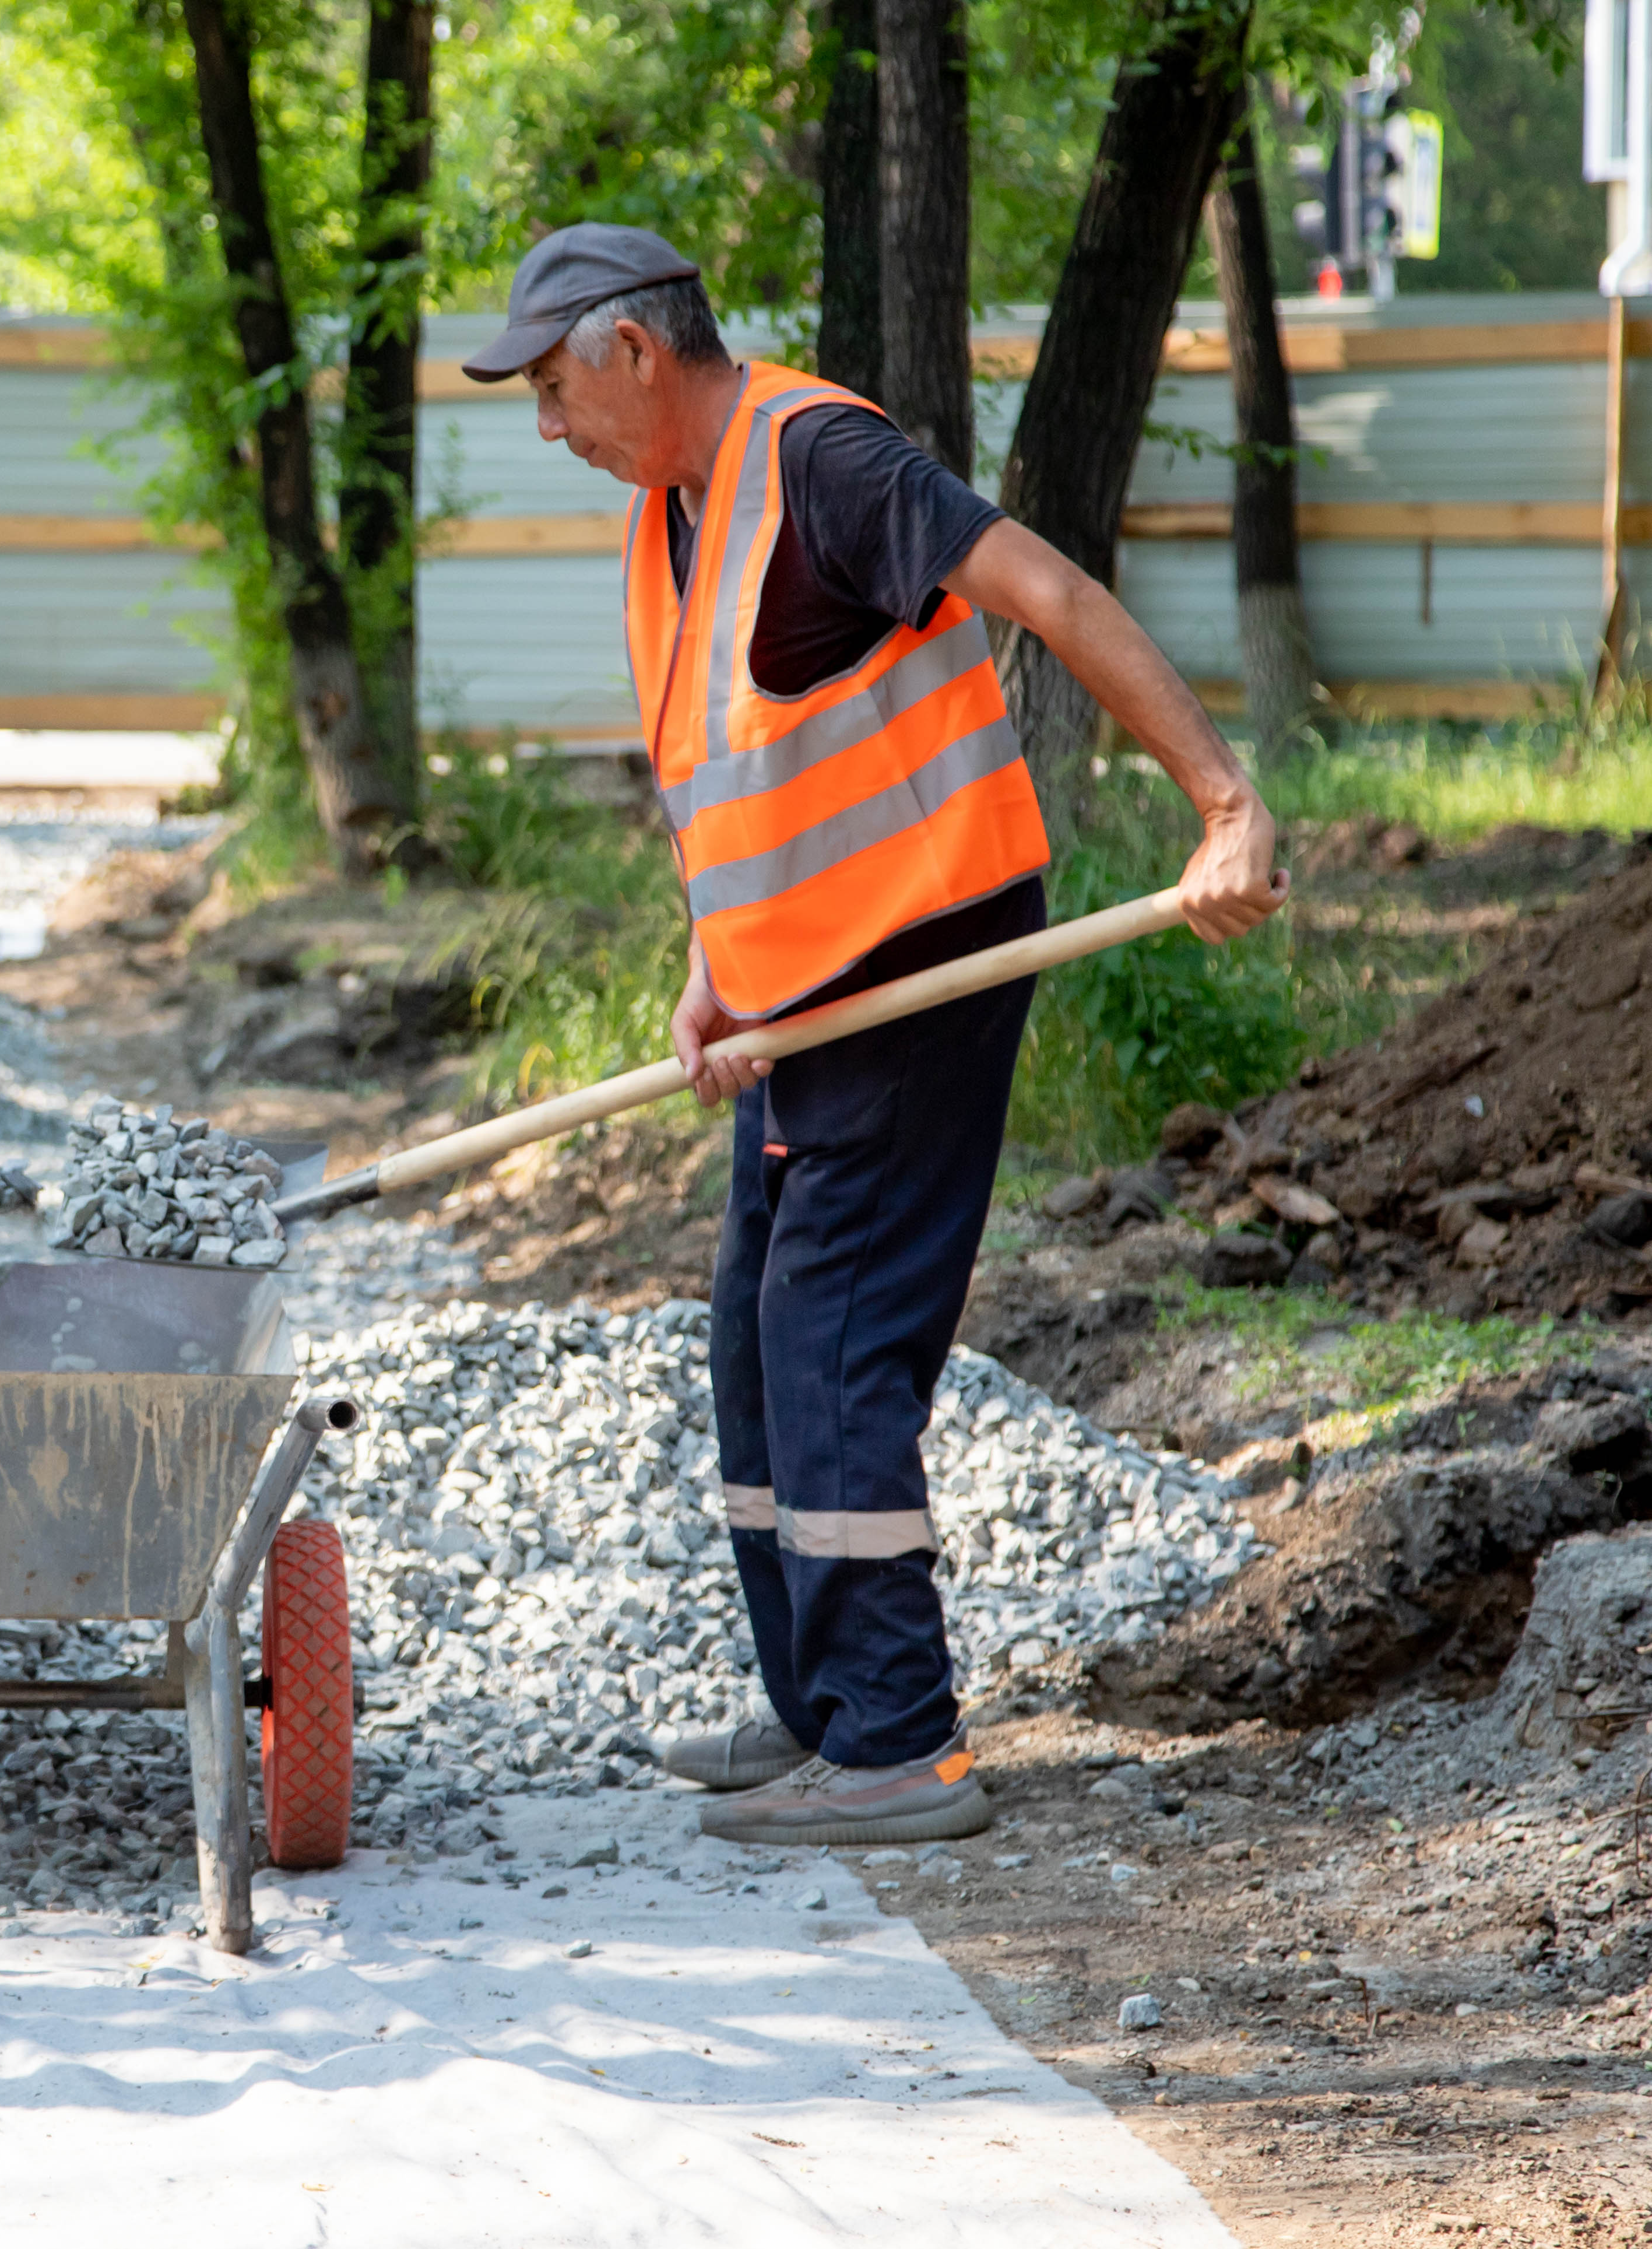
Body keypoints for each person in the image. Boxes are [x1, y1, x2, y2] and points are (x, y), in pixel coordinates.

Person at [459, 225, 1285, 1847]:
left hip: (926, 959)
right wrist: (717, 968)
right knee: (757, 1341)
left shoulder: (820, 460)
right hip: (801, 991)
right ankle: (820, 1710)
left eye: (557, 389)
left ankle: (900, 1742)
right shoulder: (676, 514)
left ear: (635, 348)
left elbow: (1043, 589)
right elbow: (736, 770)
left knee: (831, 1329)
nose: (550, 429)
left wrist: (1225, 800)